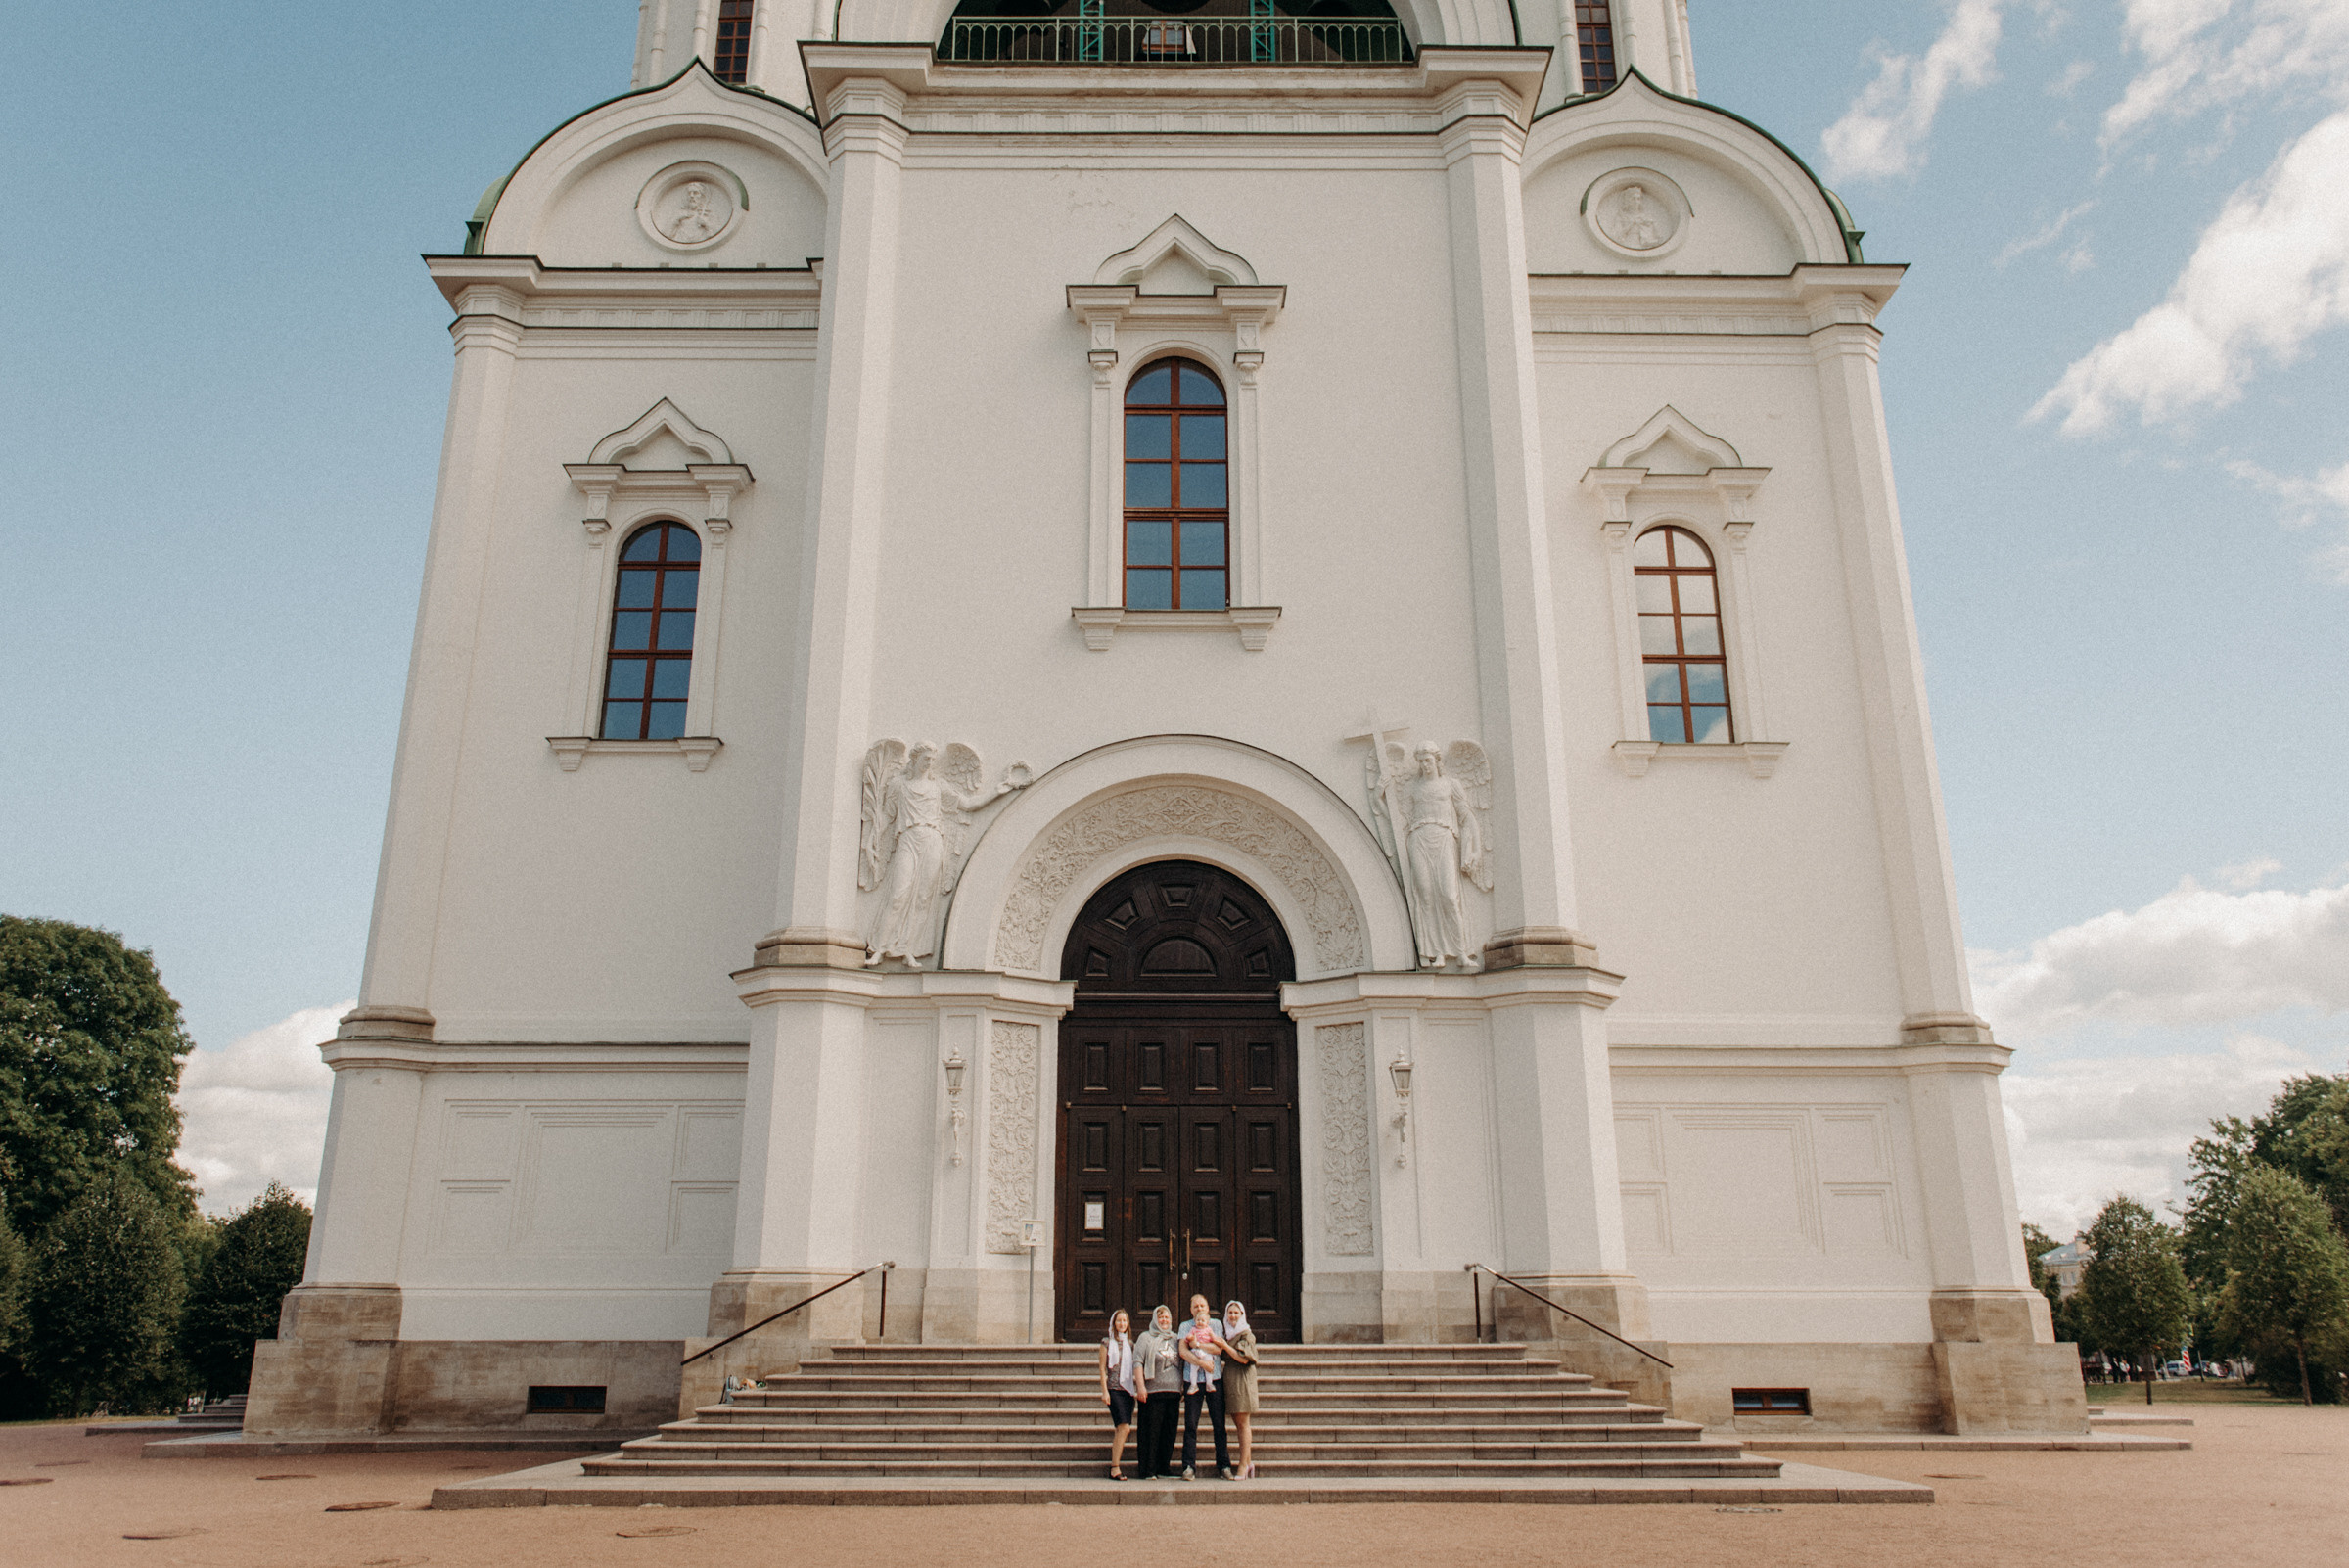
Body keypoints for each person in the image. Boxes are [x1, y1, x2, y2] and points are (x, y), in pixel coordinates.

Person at [1177, 1293, 1233, 1481]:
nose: (1199, 1309)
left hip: (1214, 1379)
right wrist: (1202, 1363)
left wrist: (1198, 1344)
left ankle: (1224, 1465)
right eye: (1195, 1306)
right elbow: (1183, 1350)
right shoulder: (1185, 1326)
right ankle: (1188, 1466)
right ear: (1191, 1309)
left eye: (1202, 1305)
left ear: (1208, 1308)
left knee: (1219, 1424)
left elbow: (1218, 1349)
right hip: (1192, 1380)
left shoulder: (1215, 1325)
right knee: (1191, 1424)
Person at [1132, 1305, 1183, 1480]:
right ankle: (1148, 1469)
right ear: (1155, 1319)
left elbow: (1183, 1361)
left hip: (1173, 1391)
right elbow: (1138, 1362)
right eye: (1161, 1317)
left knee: (1169, 1431)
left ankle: (1163, 1467)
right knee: (1150, 1432)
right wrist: (1140, 1386)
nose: (1164, 1321)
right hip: (1152, 1392)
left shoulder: (1176, 1338)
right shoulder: (1145, 1338)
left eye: (1167, 1318)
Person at [1220, 1300, 1260, 1480]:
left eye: (1237, 1313)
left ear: (1242, 1315)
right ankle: (1248, 1461)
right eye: (1230, 1313)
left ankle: (1243, 1465)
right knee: (1237, 1422)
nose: (1233, 1316)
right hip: (1231, 1379)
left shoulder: (1246, 1335)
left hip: (1242, 1380)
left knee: (1243, 1423)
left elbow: (1243, 1358)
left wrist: (1224, 1346)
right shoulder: (1228, 1333)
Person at [1098, 1308, 1139, 1480]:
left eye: (1124, 1321)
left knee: (1121, 1429)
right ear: (1114, 1324)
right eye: (1118, 1321)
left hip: (1128, 1391)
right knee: (1124, 1427)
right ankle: (1115, 1467)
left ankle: (1115, 1463)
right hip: (1114, 1389)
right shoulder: (1106, 1343)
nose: (1121, 1324)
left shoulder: (1130, 1344)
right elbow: (1102, 1368)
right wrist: (1104, 1391)